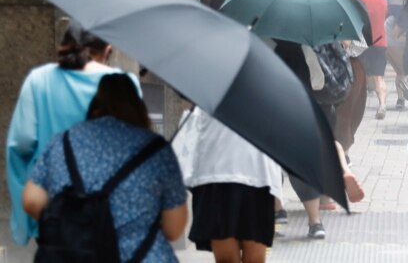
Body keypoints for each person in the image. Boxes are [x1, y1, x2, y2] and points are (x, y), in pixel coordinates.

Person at [22, 73, 187, 262]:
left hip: (77, 256)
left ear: (94, 108)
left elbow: (31, 200)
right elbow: (174, 228)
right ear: (139, 110)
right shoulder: (157, 149)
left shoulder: (63, 142)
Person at [6, 22, 140, 245]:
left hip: (54, 213)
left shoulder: (38, 80)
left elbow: (21, 143)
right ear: (107, 50)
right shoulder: (125, 83)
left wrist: (25, 219)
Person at [273, 40, 364, 240]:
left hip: (286, 107)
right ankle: (316, 219)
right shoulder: (316, 39)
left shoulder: (275, 46)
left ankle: (278, 210)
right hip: (320, 105)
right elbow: (319, 80)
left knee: (274, 158)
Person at [172, 106, 282, 263]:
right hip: (247, 174)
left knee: (234, 259)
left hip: (227, 173)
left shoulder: (210, 87)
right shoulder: (266, 90)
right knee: (247, 258)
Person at [358, 0, 389, 120]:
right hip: (380, 42)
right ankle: (382, 104)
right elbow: (385, 16)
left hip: (362, 43)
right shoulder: (382, 1)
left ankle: (358, 106)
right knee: (379, 77)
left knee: (360, 75)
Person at [384, 10, 408, 110]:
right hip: (393, 44)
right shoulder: (402, 16)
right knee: (407, 71)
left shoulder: (395, 13)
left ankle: (400, 100)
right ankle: (403, 84)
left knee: (400, 72)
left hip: (387, 44)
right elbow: (396, 35)